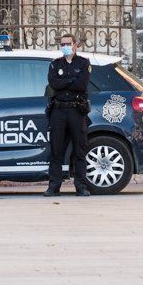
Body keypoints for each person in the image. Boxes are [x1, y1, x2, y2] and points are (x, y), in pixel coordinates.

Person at [43, 33, 92, 198]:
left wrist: (64, 81)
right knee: (56, 151)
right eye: (62, 44)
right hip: (58, 111)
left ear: (75, 45)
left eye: (67, 44)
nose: (64, 46)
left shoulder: (84, 63)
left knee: (79, 151)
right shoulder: (55, 64)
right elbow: (53, 84)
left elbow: (82, 84)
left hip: (76, 111)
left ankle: (81, 187)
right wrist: (71, 80)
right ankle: (54, 187)